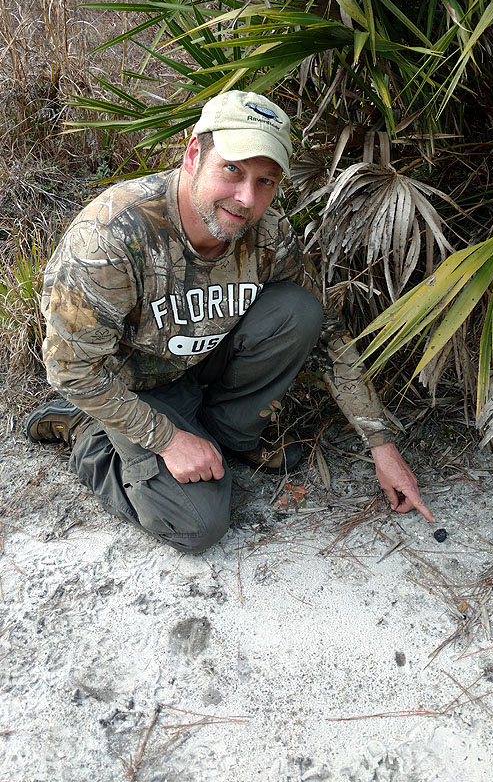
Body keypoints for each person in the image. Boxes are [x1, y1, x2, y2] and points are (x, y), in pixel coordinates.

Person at [27, 90, 434, 553]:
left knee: (299, 310)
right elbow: (70, 370)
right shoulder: (110, 238)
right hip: (130, 389)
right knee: (197, 524)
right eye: (232, 170)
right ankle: (84, 431)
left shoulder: (270, 232)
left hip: (195, 360)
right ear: (193, 155)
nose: (245, 198)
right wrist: (165, 439)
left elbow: (325, 334)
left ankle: (224, 438)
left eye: (265, 181)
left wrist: (380, 444)